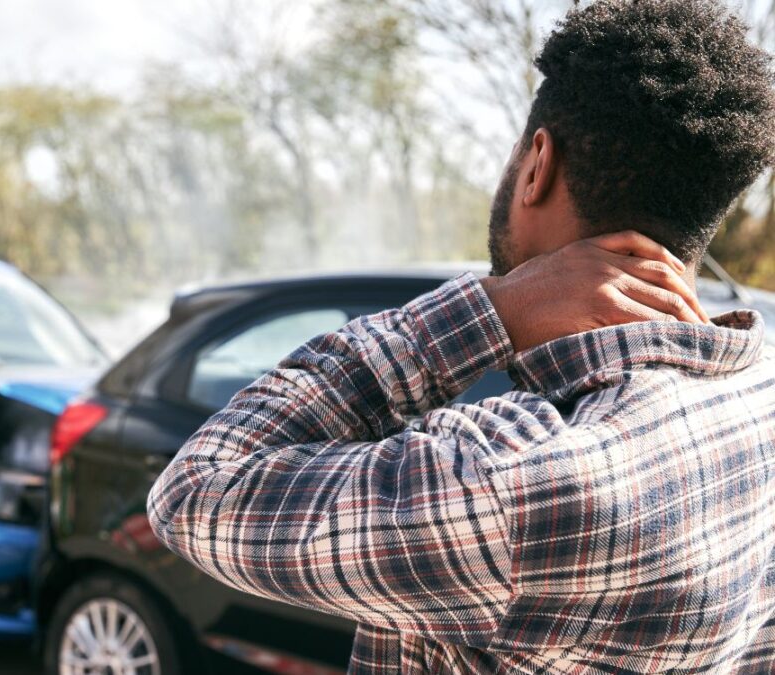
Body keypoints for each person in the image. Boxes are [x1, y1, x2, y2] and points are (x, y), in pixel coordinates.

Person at [147, 0, 775, 672]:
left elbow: (195, 491)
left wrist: (493, 310)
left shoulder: (508, 481)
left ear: (537, 165)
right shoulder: (758, 390)